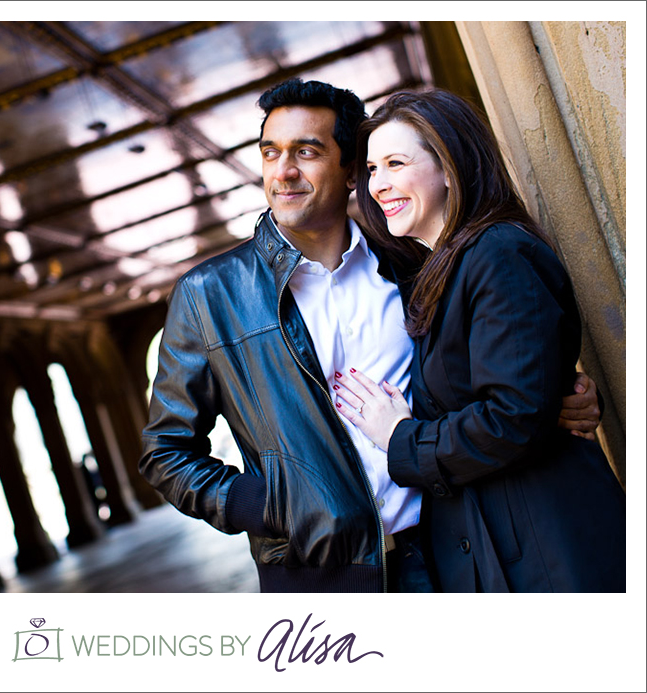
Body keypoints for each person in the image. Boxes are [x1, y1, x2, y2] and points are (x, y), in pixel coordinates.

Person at [139, 78, 601, 593]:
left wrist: (557, 398)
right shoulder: (209, 296)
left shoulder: (413, 261)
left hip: (458, 549)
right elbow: (165, 452)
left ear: (349, 169)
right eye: (271, 153)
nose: (283, 171)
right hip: (322, 576)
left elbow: (492, 371)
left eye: (307, 151)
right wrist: (269, 504)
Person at [335, 88, 625, 592]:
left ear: (450, 167)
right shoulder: (437, 267)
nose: (378, 185)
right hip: (499, 553)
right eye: (373, 169)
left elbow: (512, 417)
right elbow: (517, 401)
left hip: (550, 554)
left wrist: (400, 437)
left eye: (395, 163)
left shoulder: (499, 254)